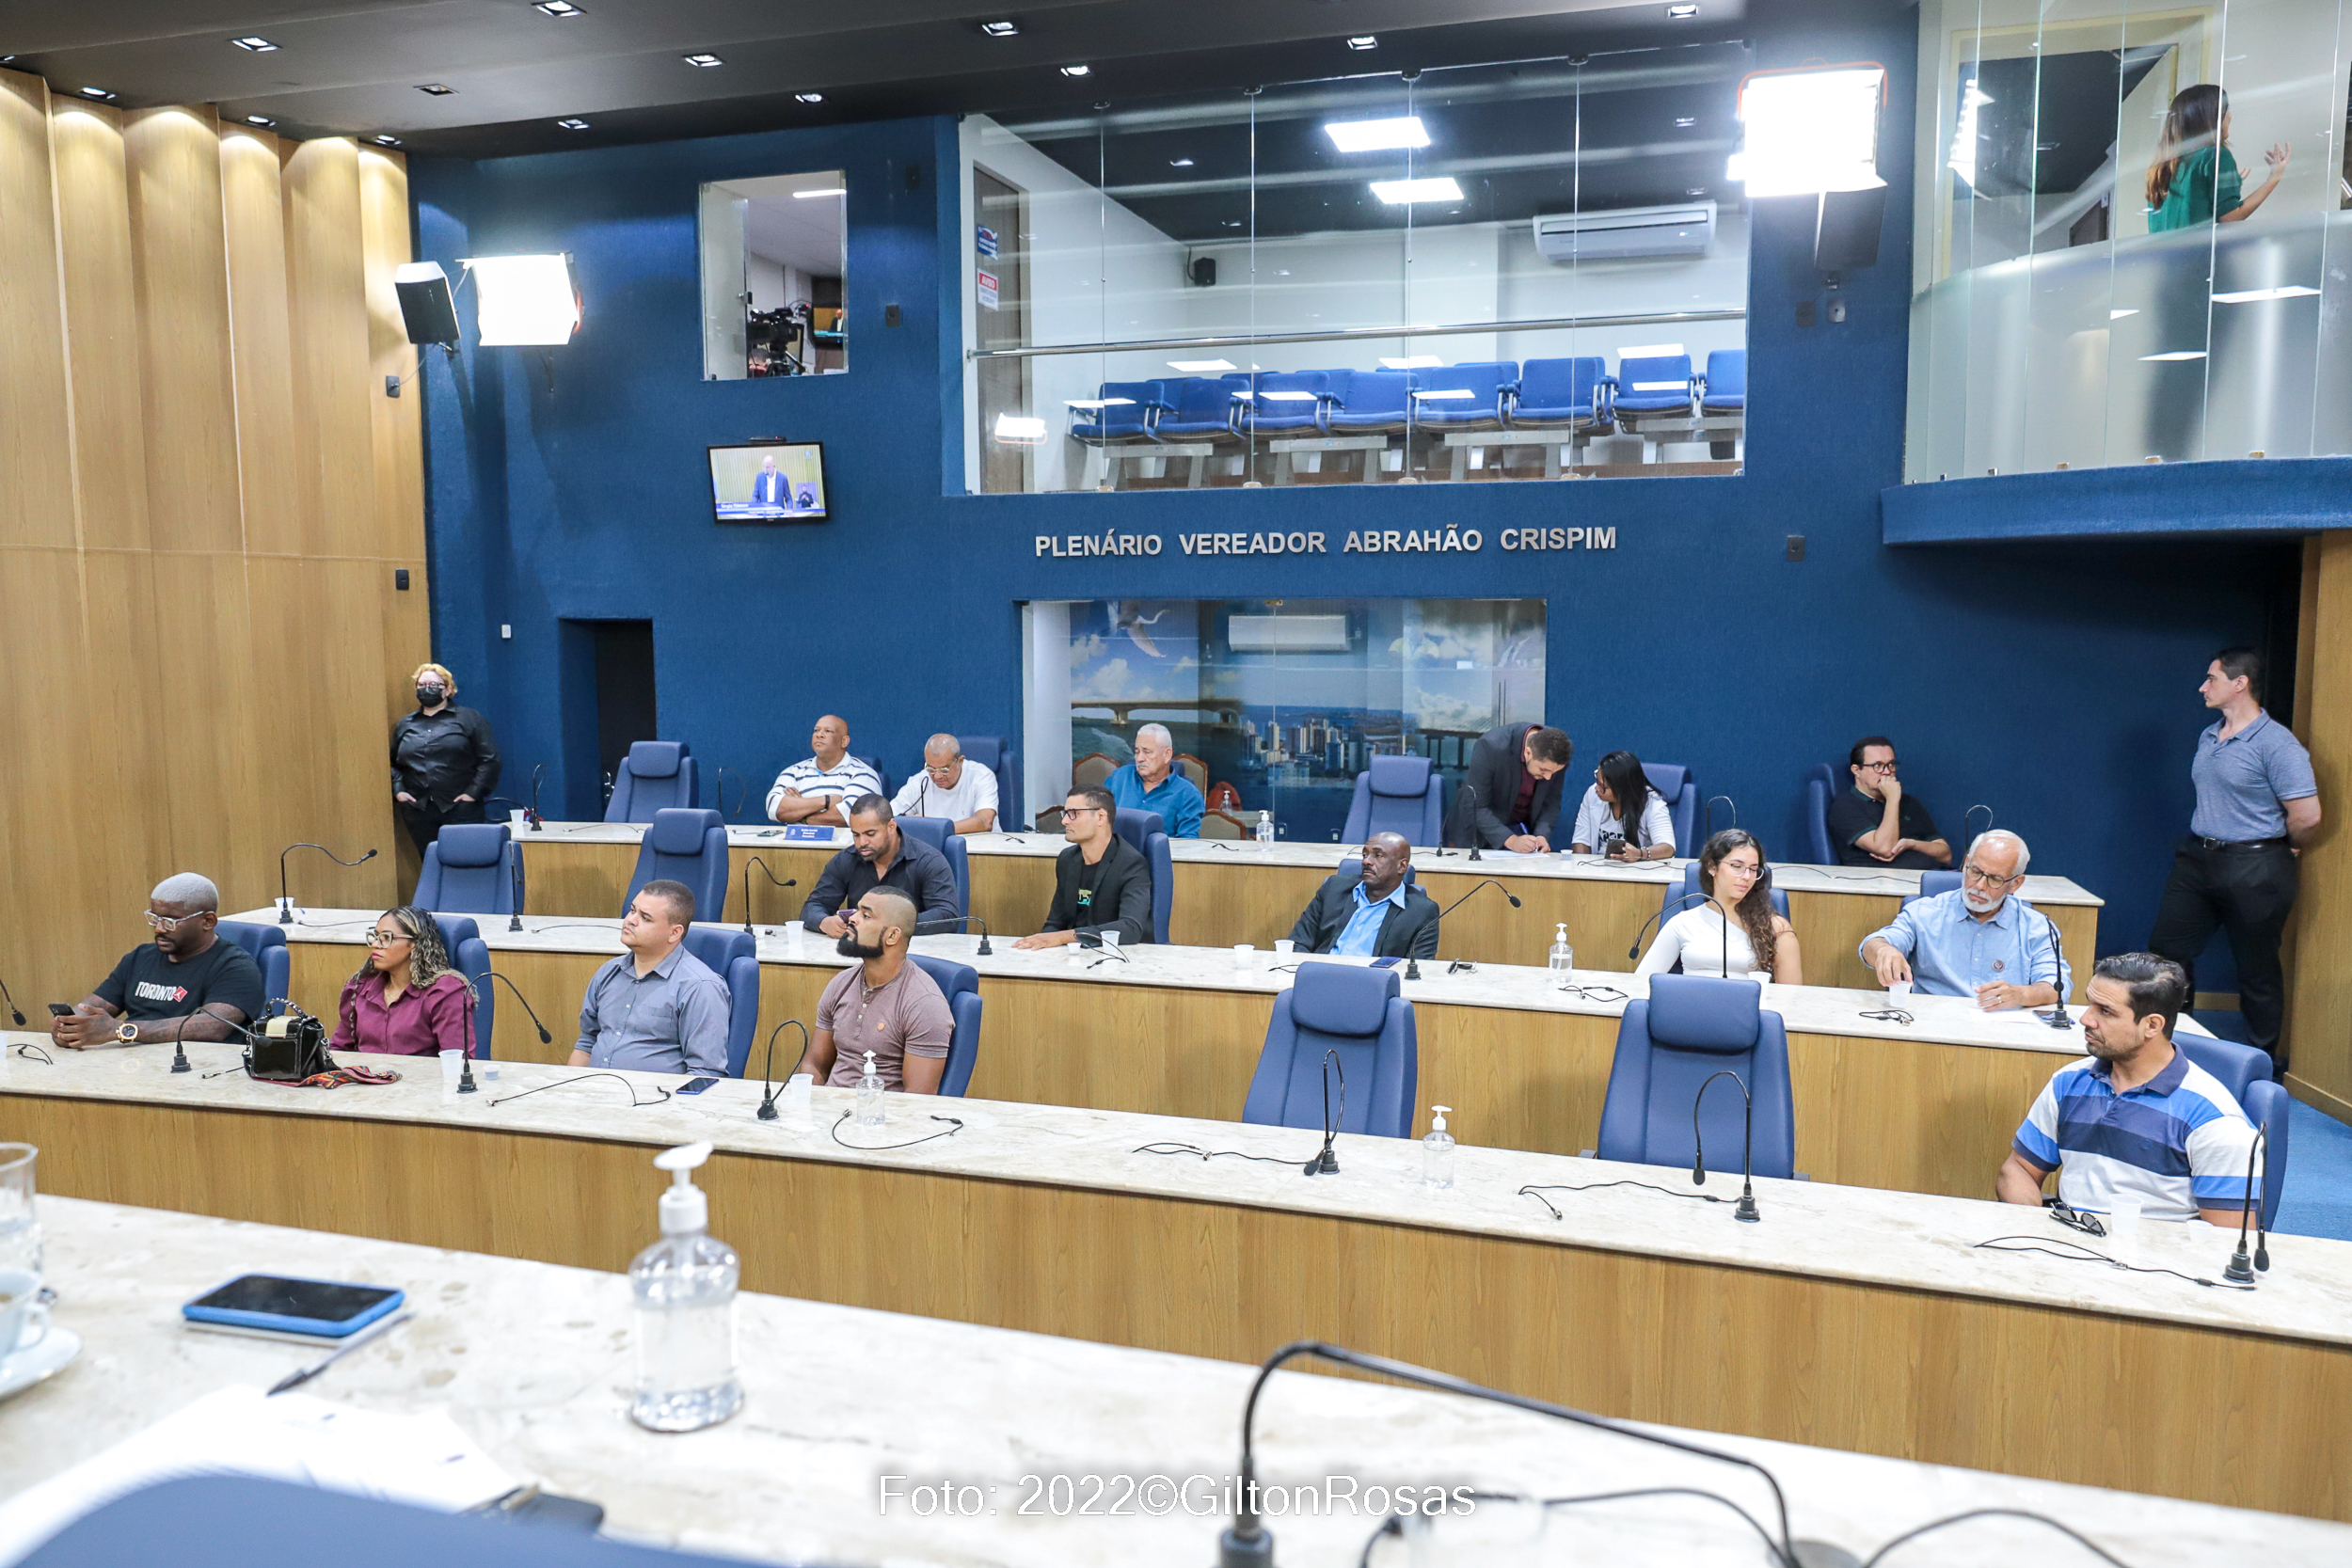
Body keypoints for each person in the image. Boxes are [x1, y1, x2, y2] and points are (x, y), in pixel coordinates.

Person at [2149, 647, 2319, 1069]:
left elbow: (2307, 815)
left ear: (2240, 684)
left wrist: (2285, 843)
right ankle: (2168, 1054)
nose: (2203, 687)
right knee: (2167, 955)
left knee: (2257, 972)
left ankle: (2261, 1070)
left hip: (2256, 866)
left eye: (2212, 679)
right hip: (2198, 858)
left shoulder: (2277, 744)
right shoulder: (2210, 735)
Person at [1995, 954, 2258, 1225]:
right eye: (2089, 1004)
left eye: (2105, 1011)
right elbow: (2019, 1169)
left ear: (2152, 1026)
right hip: (2067, 1240)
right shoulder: (2069, 1082)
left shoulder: (2215, 1120)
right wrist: (2032, 1226)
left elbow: (2227, 1238)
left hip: (2157, 1250)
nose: (2086, 1019)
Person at [52, 873, 267, 1051]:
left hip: (196, 1069)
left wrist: (121, 1031)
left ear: (208, 921)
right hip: (132, 1065)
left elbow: (212, 1027)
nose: (159, 929)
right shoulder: (140, 958)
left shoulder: (235, 966)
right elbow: (91, 1007)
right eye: (155, 918)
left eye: (170, 921)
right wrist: (69, 1026)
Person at [1860, 831, 2070, 1009]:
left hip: (2002, 1029)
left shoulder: (2036, 927)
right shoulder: (1924, 913)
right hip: (1933, 1023)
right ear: (1966, 864)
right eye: (1975, 871)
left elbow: (2058, 987)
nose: (1979, 885)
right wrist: (1883, 950)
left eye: (1995, 879)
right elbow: (1872, 944)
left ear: (2015, 884)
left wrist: (2022, 995)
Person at [791, 889, 954, 1094]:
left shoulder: (925, 1004)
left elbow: (918, 1098)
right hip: (830, 1107)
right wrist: (811, 1102)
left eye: (866, 915)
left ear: (892, 936)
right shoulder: (840, 983)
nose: (852, 918)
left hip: (880, 1110)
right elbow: (814, 1065)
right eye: (856, 911)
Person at [573, 880, 730, 1075]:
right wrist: (569, 1089)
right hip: (595, 1089)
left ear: (674, 933)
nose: (630, 920)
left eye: (645, 918)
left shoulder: (700, 987)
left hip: (656, 1094)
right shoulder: (608, 972)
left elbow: (705, 1073)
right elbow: (586, 1044)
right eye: (632, 910)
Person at [1633, 830, 1803, 983]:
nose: (1746, 876)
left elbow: (1791, 997)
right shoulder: (1683, 922)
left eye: (1753, 869)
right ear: (1712, 867)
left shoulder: (1775, 928)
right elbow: (1642, 982)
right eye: (1737, 866)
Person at [800, 795, 961, 939]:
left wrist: (888, 925)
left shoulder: (928, 860)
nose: (862, 843)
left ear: (891, 827)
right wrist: (824, 922)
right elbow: (813, 906)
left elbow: (947, 916)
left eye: (870, 834)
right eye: (856, 835)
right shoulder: (846, 859)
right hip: (860, 952)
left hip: (913, 951)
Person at [1013, 786, 1154, 949]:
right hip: (1073, 953)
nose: (1065, 821)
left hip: (1116, 954)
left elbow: (1130, 928)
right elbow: (1055, 923)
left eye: (1074, 813)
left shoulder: (1131, 863)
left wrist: (1063, 937)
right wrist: (1042, 945)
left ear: (1100, 817)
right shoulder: (1067, 859)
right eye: (1065, 813)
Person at [331, 906, 479, 1057]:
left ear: (414, 943)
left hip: (420, 1073)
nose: (375, 944)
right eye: (375, 937)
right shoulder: (360, 988)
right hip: (365, 1072)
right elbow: (338, 1049)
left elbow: (457, 1061)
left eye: (387, 938)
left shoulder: (445, 993)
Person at [390, 662, 501, 857]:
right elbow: (392, 763)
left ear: (448, 689)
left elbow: (490, 760)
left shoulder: (470, 719)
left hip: (461, 808)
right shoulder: (405, 724)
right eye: (421, 685)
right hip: (418, 809)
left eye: (434, 685)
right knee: (430, 862)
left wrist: (472, 793)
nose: (427, 689)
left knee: (464, 862)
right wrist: (399, 790)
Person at [2145, 84, 2288, 232]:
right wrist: (2274, 178)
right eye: (2226, 110)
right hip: (2200, 248)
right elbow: (2231, 218)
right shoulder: (2216, 156)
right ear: (2211, 118)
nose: (2230, 116)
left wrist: (2222, 186)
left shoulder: (2161, 166)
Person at [1288, 832, 1441, 959]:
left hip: (1373, 982)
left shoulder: (1422, 911)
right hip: (1321, 975)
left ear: (1401, 866)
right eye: (1365, 854)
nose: (1366, 861)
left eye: (1378, 855)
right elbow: (1298, 943)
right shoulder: (1333, 889)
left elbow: (1418, 968)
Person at [1826, 736, 1950, 869]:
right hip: (1882, 879)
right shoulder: (1845, 805)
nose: (1887, 772)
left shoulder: (1909, 803)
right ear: (1857, 770)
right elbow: (1885, 849)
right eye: (1877, 766)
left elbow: (1945, 855)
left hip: (1931, 876)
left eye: (1891, 764)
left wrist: (1913, 844)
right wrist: (1892, 799)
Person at [1446, 723, 1573, 853]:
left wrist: (1541, 835)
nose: (1548, 777)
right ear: (1528, 752)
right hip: (1476, 833)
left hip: (1519, 831)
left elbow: (1551, 802)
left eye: (1553, 772)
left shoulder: (1558, 753)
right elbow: (1474, 805)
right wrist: (1511, 840)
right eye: (1543, 770)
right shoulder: (1491, 746)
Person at [766, 714, 881, 828]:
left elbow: (850, 816)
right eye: (816, 730)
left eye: (828, 731)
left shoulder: (862, 773)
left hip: (842, 840)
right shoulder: (794, 772)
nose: (819, 735)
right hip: (795, 840)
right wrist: (826, 801)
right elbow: (775, 808)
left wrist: (800, 813)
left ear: (844, 741)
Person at [1569, 751, 1676, 862]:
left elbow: (1667, 847)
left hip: (1638, 868)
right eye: (1597, 782)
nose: (1597, 789)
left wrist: (1640, 854)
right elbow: (1580, 840)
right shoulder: (1592, 794)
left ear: (1623, 789)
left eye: (1604, 787)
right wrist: (1582, 866)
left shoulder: (1652, 803)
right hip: (1600, 866)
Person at [1103, 723, 1204, 839]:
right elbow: (1097, 818)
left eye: (1147, 752)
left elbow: (1188, 843)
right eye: (1137, 752)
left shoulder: (1188, 794)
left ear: (1167, 755)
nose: (1139, 758)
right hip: (1116, 850)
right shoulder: (1119, 778)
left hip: (1161, 851)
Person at [893, 734, 999, 833]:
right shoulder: (919, 781)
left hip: (981, 845)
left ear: (960, 761)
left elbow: (985, 822)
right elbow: (890, 819)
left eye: (944, 769)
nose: (937, 776)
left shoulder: (981, 776)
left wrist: (933, 827)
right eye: (931, 768)